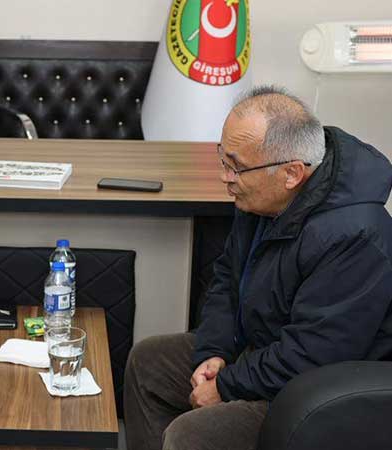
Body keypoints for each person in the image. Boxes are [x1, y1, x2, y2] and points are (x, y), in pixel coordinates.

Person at [124, 85, 392, 450]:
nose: (225, 177)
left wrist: (225, 386)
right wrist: (213, 353)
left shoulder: (354, 237)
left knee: (190, 435)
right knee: (148, 364)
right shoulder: (262, 199)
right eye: (223, 159)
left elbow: (312, 354)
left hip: (314, 390)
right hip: (260, 350)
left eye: (236, 167)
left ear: (292, 173)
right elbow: (226, 280)